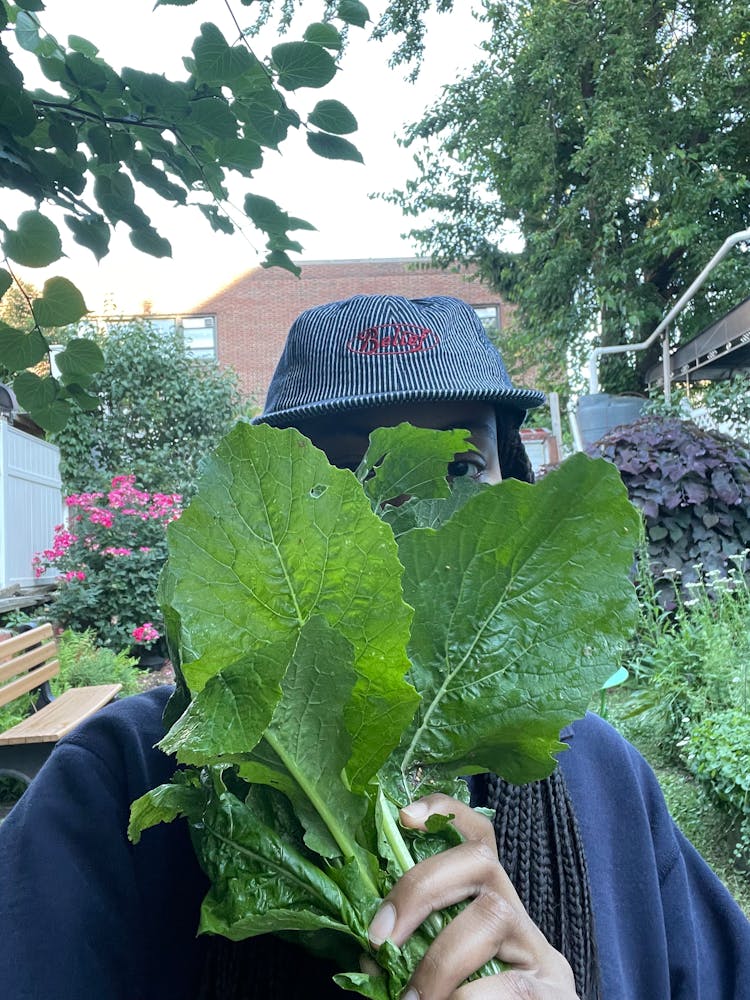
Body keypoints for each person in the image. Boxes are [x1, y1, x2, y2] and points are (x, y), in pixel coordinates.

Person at [0, 294, 748, 1000]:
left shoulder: (604, 782)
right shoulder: (119, 778)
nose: (407, 511)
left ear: (511, 487)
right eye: (340, 472)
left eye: (457, 468)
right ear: (272, 535)